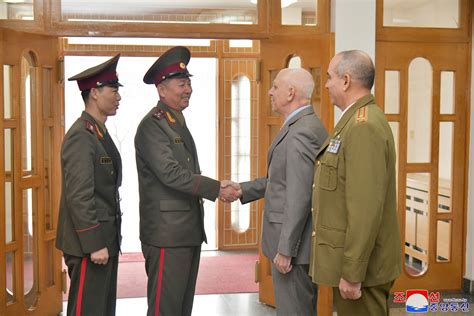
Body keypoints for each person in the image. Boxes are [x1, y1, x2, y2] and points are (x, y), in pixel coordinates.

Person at [135, 46, 240, 316]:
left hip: (184, 232)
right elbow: (171, 173)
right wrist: (216, 188)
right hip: (167, 235)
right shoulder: (153, 126)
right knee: (165, 308)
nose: (188, 89)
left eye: (189, 82)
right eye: (182, 83)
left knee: (181, 308)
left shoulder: (174, 122)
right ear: (161, 89)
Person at [309, 50, 402, 315]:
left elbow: (364, 209)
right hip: (357, 264)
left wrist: (352, 271)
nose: (325, 84)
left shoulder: (362, 126)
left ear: (346, 81)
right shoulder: (353, 121)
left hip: (363, 269)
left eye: (329, 77)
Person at [232, 68, 327, 315]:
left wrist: (286, 249)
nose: (270, 92)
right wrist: (242, 189)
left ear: (291, 92)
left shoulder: (301, 131)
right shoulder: (302, 125)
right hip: (298, 244)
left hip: (294, 248)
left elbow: (300, 193)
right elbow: (282, 180)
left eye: (275, 86)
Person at [56, 54, 123, 316]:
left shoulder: (98, 132)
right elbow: (79, 195)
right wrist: (94, 242)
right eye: (113, 90)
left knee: (103, 309)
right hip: (89, 244)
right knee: (88, 310)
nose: (118, 96)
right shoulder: (81, 136)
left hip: (104, 239)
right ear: (94, 93)